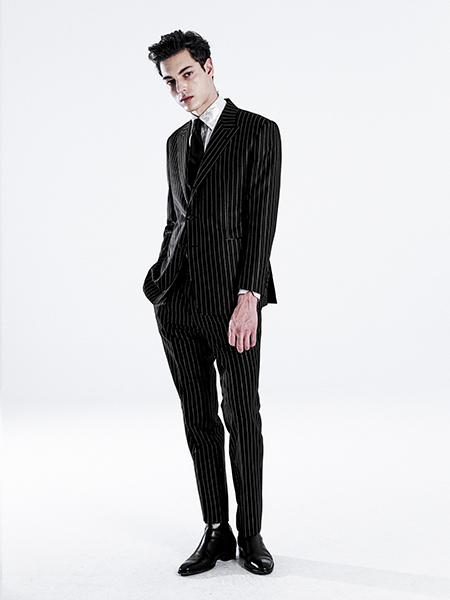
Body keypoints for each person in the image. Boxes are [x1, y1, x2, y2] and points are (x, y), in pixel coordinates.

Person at [143, 30, 281, 576]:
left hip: (231, 302)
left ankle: (251, 533)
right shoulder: (175, 143)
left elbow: (261, 223)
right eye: (169, 81)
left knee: (242, 416)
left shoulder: (257, 131)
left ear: (208, 67)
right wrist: (158, 284)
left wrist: (250, 297)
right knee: (198, 420)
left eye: (187, 74)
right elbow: (175, 219)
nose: (180, 88)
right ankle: (216, 529)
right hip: (177, 303)